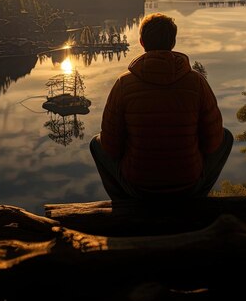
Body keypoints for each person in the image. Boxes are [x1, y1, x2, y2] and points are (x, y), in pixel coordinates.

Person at [90, 12, 233, 200]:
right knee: (226, 137)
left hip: (138, 187)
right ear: (173, 43)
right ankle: (197, 199)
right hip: (188, 185)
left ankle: (122, 203)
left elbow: (110, 146)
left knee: (96, 143)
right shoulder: (197, 83)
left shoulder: (124, 84)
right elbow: (212, 143)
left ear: (141, 42)